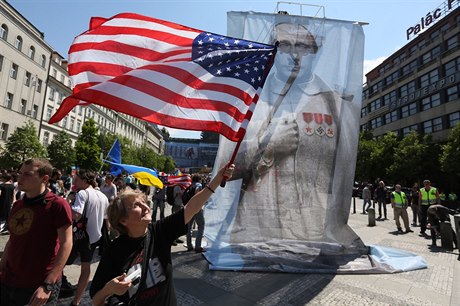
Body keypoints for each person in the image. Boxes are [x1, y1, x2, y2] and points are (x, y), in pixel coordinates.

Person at [89, 163, 234, 305]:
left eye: (143, 202)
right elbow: (96, 300)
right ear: (123, 220)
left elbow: (192, 207)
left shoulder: (159, 231)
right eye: (136, 205)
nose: (145, 206)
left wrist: (217, 179)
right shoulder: (113, 251)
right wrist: (109, 289)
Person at [0, 158, 73, 305]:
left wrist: (48, 284)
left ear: (44, 178)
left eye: (27, 174)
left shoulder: (57, 205)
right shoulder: (18, 205)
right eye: (20, 173)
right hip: (9, 281)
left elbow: (66, 243)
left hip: (38, 285)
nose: (20, 178)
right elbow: (13, 240)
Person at [66, 169, 109, 306]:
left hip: (79, 236)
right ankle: (76, 301)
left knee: (59, 263)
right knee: (86, 267)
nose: (75, 183)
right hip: (94, 237)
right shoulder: (103, 196)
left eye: (77, 180)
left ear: (85, 181)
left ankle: (55, 289)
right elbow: (106, 217)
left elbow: (76, 215)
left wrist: (68, 204)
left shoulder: (83, 193)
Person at [185, 174, 205, 252]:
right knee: (201, 226)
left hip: (188, 208)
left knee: (189, 228)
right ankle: (198, 246)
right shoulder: (198, 185)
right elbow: (197, 192)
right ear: (199, 179)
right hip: (196, 208)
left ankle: (189, 246)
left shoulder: (190, 185)